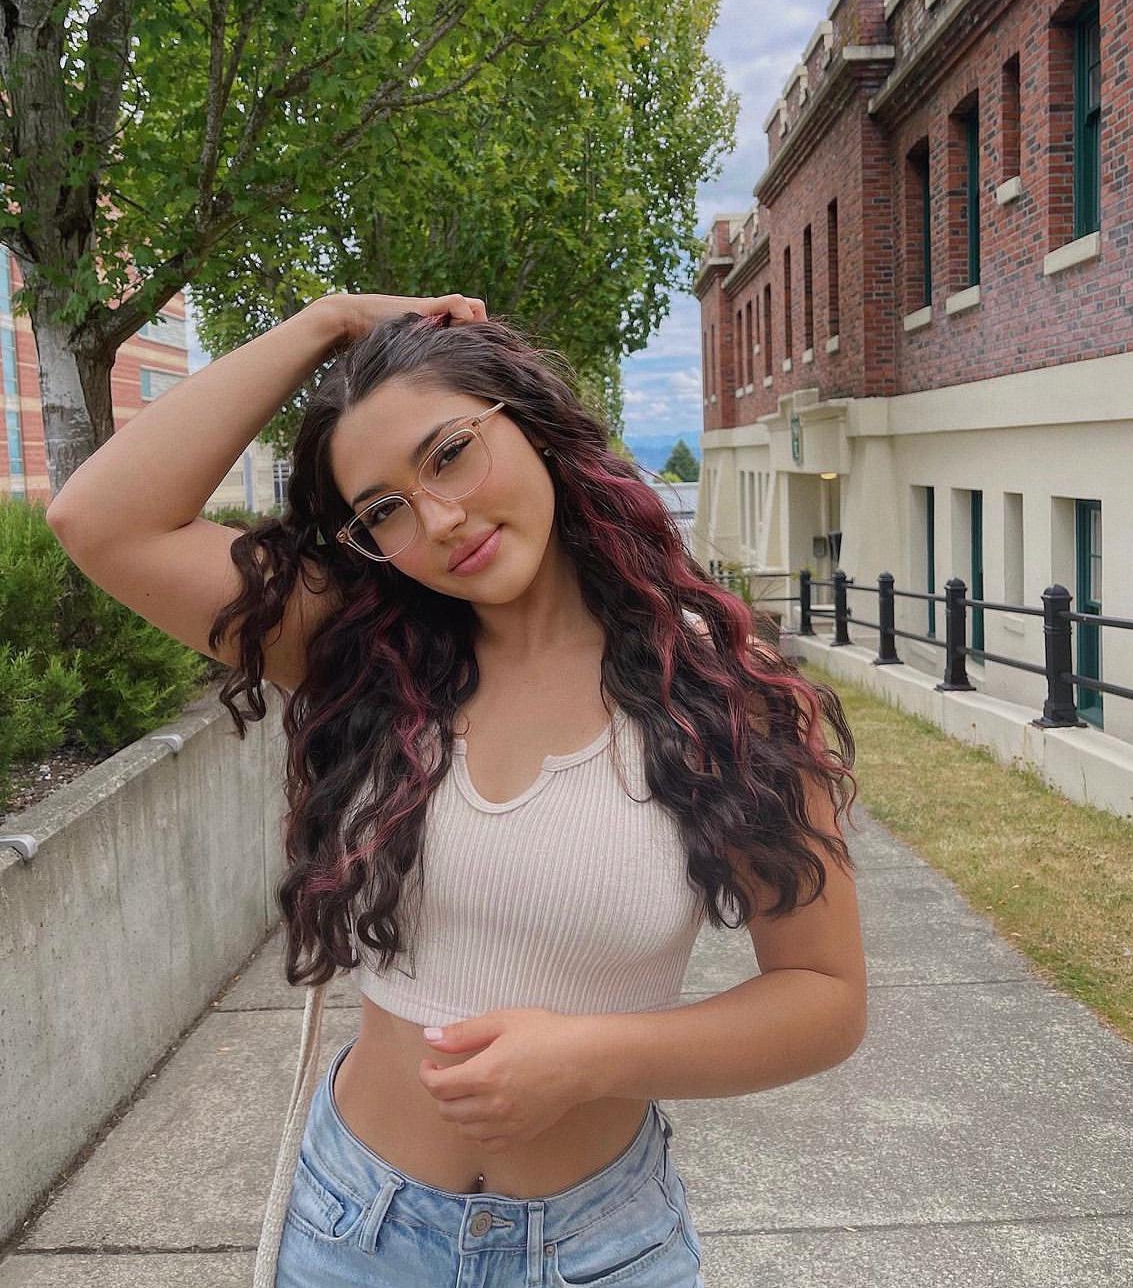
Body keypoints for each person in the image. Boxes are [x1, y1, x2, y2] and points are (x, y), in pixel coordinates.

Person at [45, 292, 867, 1287]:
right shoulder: (362, 653)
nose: (438, 519)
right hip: (356, 1233)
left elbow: (824, 998)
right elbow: (98, 519)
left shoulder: (724, 694)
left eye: (449, 453)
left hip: (604, 1248)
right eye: (382, 510)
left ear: (532, 422)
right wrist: (325, 322)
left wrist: (590, 1059)